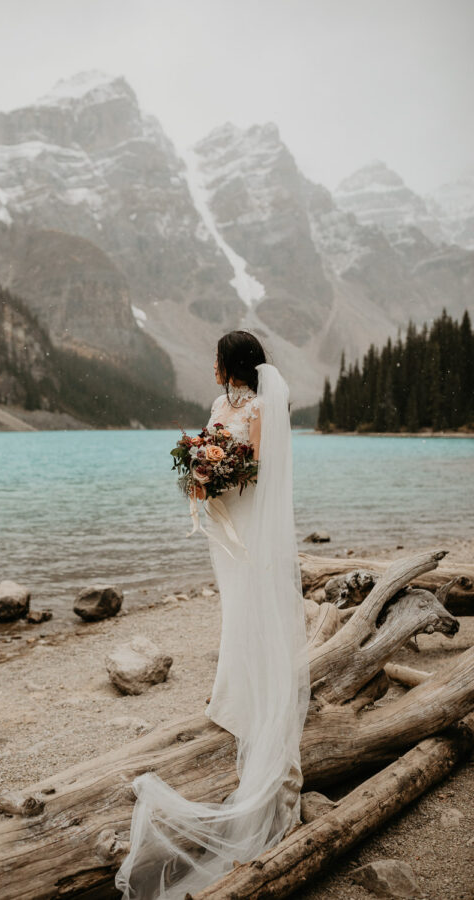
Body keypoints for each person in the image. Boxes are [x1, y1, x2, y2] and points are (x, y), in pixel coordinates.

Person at [114, 330, 310, 899]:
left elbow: (255, 467)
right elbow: (212, 446)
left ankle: (253, 697)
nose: (213, 367)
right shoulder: (221, 406)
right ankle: (234, 685)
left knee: (253, 599)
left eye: (218, 359)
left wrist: (218, 472)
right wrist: (199, 471)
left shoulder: (261, 407)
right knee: (234, 605)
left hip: (246, 521)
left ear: (232, 364)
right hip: (223, 527)